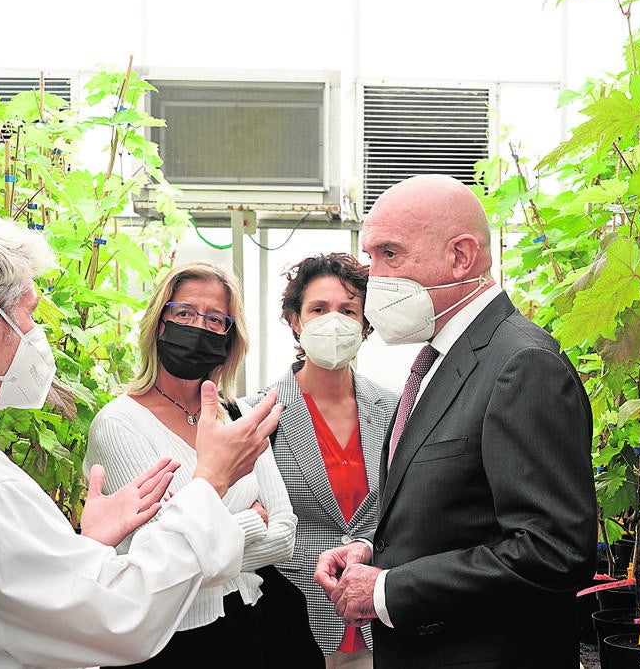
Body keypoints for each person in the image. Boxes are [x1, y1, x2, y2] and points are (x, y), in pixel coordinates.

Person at [0, 206, 285, 669]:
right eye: (28, 314)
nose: (34, 334)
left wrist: (89, 545)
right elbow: (122, 619)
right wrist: (209, 483)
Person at [314, 174, 598, 668]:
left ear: (460, 257)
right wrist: (375, 551)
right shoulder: (445, 357)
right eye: (371, 257)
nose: (371, 277)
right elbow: (460, 514)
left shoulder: (520, 364)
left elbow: (553, 550)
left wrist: (390, 589)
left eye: (390, 255)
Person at [85, 261, 298, 667]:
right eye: (184, 313)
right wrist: (253, 522)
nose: (198, 326)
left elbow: (285, 534)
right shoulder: (118, 424)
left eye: (215, 319)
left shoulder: (238, 415)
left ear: (229, 336)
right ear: (159, 323)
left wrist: (206, 541)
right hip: (172, 641)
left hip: (251, 627)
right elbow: (162, 561)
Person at [247, 253, 398, 669]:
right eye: (318, 309)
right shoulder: (260, 413)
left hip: (380, 620)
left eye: (348, 310)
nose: (334, 321)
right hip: (294, 621)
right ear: (295, 321)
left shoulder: (395, 409)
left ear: (365, 324)